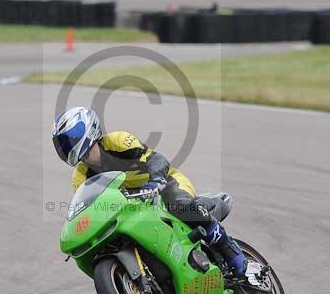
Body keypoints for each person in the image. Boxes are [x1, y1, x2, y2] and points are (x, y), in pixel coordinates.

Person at [52, 106, 247, 276]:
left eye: (70, 138)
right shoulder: (80, 177)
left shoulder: (118, 141)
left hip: (166, 185)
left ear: (89, 129)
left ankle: (229, 249)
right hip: (133, 206)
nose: (68, 146)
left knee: (178, 205)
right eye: (63, 143)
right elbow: (90, 207)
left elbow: (157, 159)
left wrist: (156, 181)